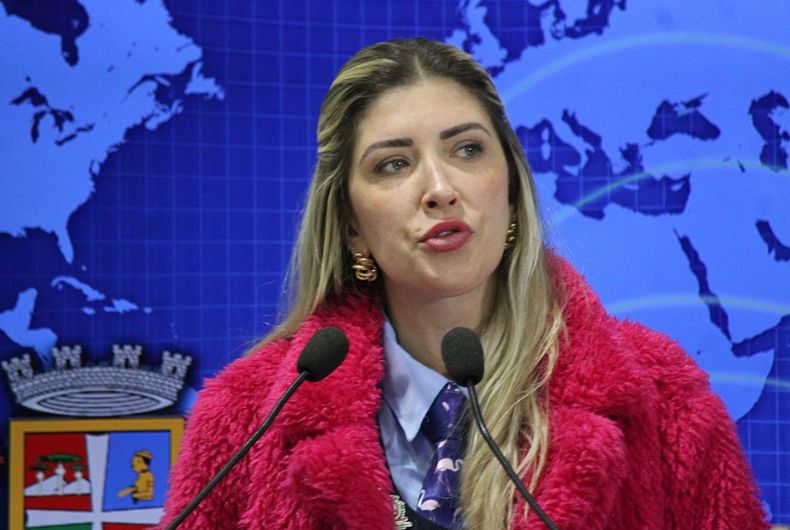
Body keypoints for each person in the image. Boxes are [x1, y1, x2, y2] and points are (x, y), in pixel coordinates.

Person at [158, 38, 768, 529]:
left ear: (512, 190)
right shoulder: (246, 419)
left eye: (468, 150)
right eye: (393, 164)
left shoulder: (665, 400)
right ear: (350, 227)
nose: (440, 188)